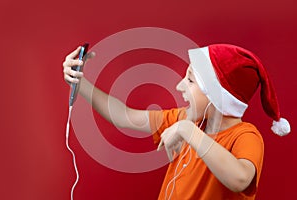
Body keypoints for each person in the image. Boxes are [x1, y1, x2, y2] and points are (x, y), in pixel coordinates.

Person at [63, 43, 290, 199]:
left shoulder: (245, 136)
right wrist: (80, 83)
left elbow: (240, 179)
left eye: (190, 80)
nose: (180, 86)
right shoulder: (188, 118)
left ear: (217, 95)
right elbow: (123, 116)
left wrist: (187, 131)